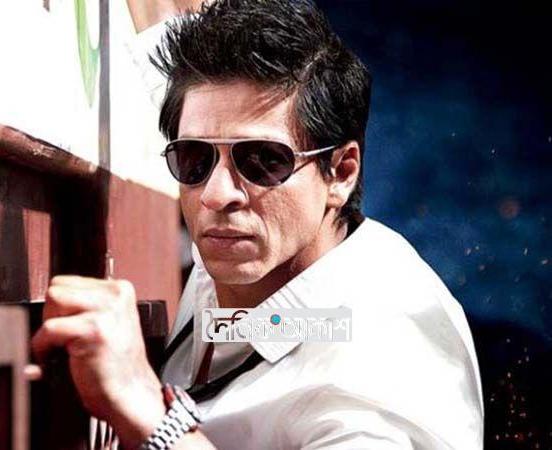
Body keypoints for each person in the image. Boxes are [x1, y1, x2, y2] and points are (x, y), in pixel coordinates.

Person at [30, 0, 484, 448]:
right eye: (193, 158)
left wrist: (148, 410)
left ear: (341, 173)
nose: (216, 194)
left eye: (264, 161)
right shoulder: (277, 261)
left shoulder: (383, 359)